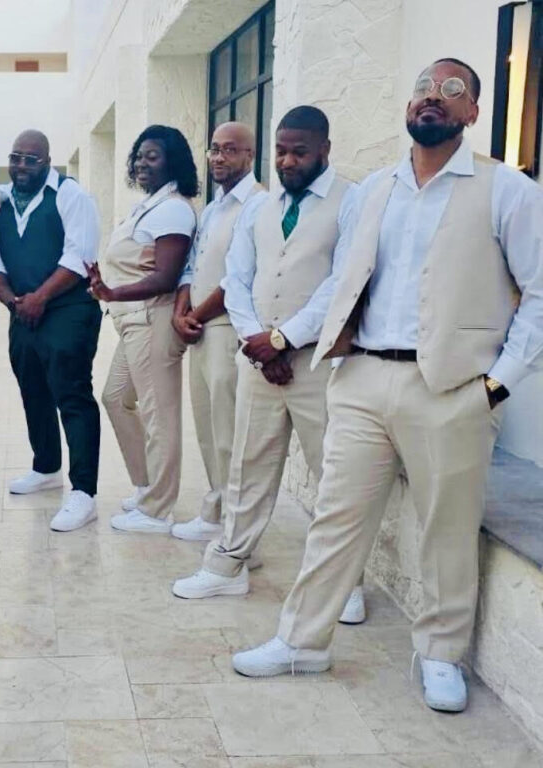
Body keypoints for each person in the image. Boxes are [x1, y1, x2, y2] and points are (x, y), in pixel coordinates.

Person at [232, 59, 543, 713]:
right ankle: (302, 641)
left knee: (446, 528)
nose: (434, 96)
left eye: (452, 90)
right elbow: (343, 283)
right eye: (424, 86)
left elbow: (538, 296)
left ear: (472, 113)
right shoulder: (373, 189)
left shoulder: (507, 191)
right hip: (364, 377)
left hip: (452, 389)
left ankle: (440, 654)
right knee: (335, 521)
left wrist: (496, 385)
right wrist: (295, 339)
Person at [170, 106, 366, 627]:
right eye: (282, 149)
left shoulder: (352, 200)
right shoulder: (260, 206)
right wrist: (259, 341)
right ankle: (229, 564)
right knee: (246, 467)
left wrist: (282, 339)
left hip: (319, 362)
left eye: (299, 150)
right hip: (257, 358)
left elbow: (343, 282)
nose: (288, 159)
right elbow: (237, 279)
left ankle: (343, 582)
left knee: (333, 474)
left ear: (325, 148)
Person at [0, 129, 103, 532]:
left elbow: (80, 256)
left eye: (30, 159)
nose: (21, 166)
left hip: (68, 311)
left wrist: (40, 298)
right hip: (22, 312)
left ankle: (84, 492)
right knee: (32, 390)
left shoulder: (70, 196)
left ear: (47, 162)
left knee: (72, 395)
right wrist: (13, 301)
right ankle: (46, 466)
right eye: (15, 157)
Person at [87, 124, 198, 533]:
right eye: (139, 155)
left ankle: (158, 508)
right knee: (116, 398)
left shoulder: (172, 208)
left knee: (159, 415)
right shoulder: (149, 204)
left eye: (153, 156)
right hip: (132, 323)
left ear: (173, 161)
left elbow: (166, 276)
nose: (142, 163)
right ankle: (146, 485)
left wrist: (113, 293)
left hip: (152, 320)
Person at [171, 121, 265, 543]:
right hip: (200, 330)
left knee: (230, 434)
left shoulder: (259, 205)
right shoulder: (211, 208)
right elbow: (192, 266)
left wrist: (199, 315)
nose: (219, 158)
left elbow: (239, 277)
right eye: (214, 149)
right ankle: (213, 511)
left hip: (228, 330)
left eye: (230, 150)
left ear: (250, 156)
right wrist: (181, 312)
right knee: (207, 427)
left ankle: (234, 527)